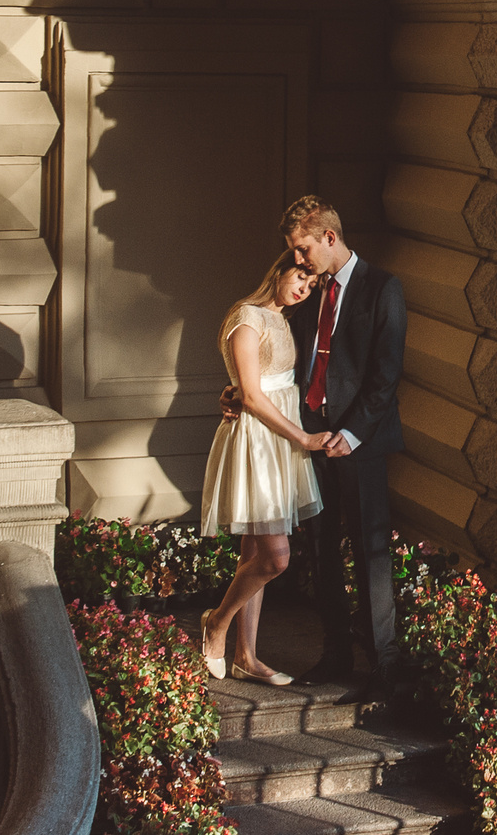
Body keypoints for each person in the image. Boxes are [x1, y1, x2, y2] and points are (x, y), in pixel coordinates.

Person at [281, 196, 409, 695]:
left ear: (330, 238)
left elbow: (386, 374)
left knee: (370, 548)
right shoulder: (308, 290)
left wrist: (351, 434)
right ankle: (335, 653)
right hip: (311, 436)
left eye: (303, 248)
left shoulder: (383, 289)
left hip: (362, 443)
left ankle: (385, 664)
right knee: (320, 548)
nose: (298, 260)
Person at [193, 255, 334, 684]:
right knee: (276, 558)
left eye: (311, 284)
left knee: (255, 555)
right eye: (300, 276)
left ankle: (246, 657)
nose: (303, 288)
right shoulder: (247, 316)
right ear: (279, 269)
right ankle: (216, 623)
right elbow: (252, 396)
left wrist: (235, 390)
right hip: (259, 441)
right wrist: (305, 439)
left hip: (277, 441)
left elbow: (261, 382)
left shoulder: (284, 320)